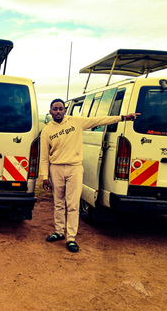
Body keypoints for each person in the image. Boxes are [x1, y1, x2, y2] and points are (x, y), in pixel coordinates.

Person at [40, 98, 139, 253]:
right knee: (58, 203)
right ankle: (59, 231)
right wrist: (45, 176)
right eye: (54, 109)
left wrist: (122, 117)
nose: (58, 111)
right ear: (50, 111)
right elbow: (44, 156)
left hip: (74, 168)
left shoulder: (76, 122)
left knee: (72, 204)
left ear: (65, 110)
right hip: (56, 168)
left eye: (60, 108)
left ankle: (71, 238)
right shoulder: (46, 131)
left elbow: (98, 120)